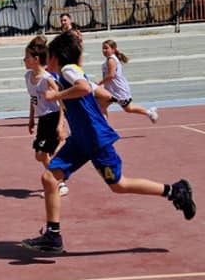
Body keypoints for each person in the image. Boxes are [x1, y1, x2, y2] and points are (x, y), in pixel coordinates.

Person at [22, 31, 195, 253]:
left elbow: (84, 88)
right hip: (81, 140)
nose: (48, 61)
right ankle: (53, 236)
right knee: (49, 178)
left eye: (50, 56)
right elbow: (101, 93)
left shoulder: (68, 70)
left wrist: (57, 97)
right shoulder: (68, 74)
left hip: (95, 139)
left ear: (57, 56)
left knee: (119, 185)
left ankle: (175, 191)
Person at [24, 36, 69, 197]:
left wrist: (60, 124)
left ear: (36, 59)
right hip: (42, 118)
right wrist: (31, 119)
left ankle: (58, 183)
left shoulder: (47, 79)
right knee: (41, 155)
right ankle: (58, 180)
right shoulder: (28, 77)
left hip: (52, 116)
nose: (24, 60)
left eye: (26, 57)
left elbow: (62, 100)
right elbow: (33, 98)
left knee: (42, 154)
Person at [97, 39, 159, 123]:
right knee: (101, 107)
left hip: (119, 90)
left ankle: (149, 112)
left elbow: (111, 75)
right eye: (103, 48)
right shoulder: (109, 59)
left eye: (106, 48)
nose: (104, 50)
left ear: (113, 49)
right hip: (111, 90)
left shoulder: (111, 60)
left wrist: (100, 83)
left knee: (129, 108)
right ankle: (105, 128)